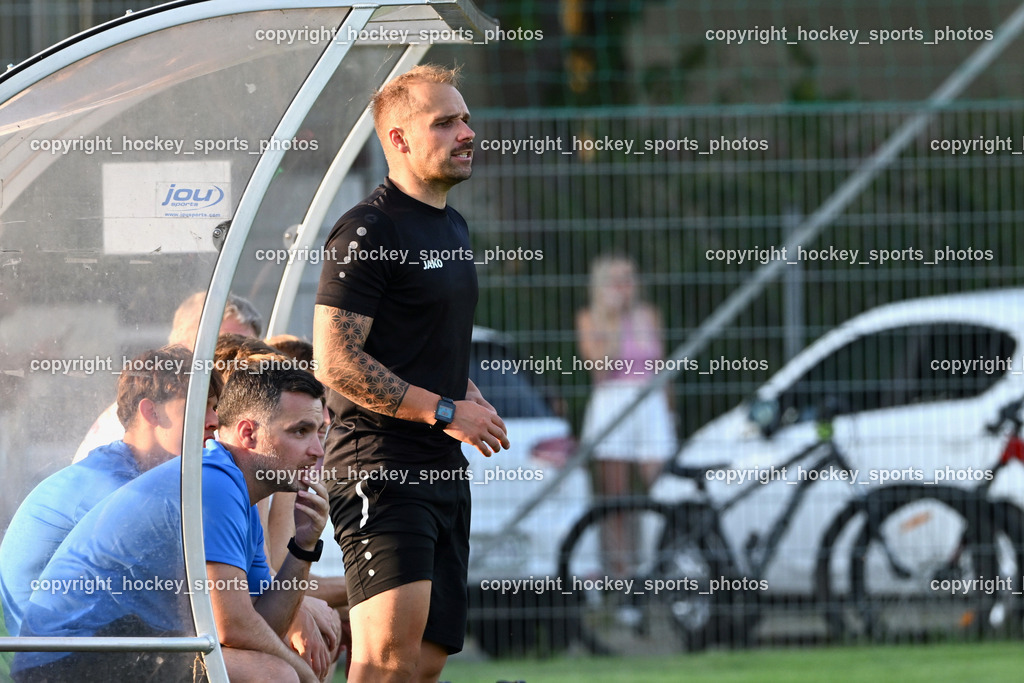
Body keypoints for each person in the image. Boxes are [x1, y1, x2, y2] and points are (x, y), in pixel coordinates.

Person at [313, 64, 509, 683]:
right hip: (381, 463)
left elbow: (421, 343)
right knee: (384, 660)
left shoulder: (452, 225)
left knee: (425, 661)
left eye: (466, 119)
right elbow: (336, 360)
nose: (465, 132)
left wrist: (467, 393)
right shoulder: (369, 230)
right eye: (445, 122)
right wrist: (448, 412)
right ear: (397, 139)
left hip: (441, 467)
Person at [12, 367, 334, 683]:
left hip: (120, 644)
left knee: (274, 667)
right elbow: (233, 627)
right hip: (67, 657)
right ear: (249, 433)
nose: (317, 451)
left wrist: (302, 548)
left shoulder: (236, 493)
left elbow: (261, 623)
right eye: (300, 431)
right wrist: (302, 672)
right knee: (272, 674)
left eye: (319, 432)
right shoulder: (213, 484)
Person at [0, 345, 220, 636]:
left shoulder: (135, 478)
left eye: (214, 407)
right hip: (52, 659)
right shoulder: (114, 487)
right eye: (199, 405)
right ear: (150, 411)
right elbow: (198, 598)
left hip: (86, 644)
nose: (214, 421)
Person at [576, 254, 677, 576]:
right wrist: (614, 320)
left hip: (649, 405)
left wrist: (669, 410)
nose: (626, 286)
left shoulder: (649, 315)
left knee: (662, 490)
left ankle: (659, 566)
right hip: (612, 404)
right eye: (617, 280)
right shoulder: (590, 318)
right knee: (616, 498)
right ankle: (622, 576)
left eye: (630, 278)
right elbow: (600, 369)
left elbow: (660, 368)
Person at [72, 291, 262, 462]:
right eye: (227, 349)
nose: (241, 364)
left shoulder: (212, 416)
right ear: (182, 346)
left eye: (251, 352)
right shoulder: (134, 422)